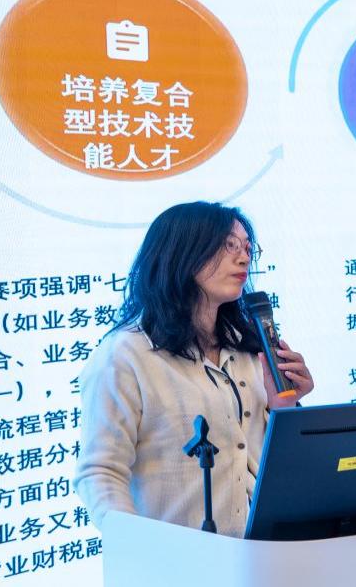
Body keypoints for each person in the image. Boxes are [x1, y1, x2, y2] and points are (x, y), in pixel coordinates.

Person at [74, 201, 315, 538]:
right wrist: (137, 545)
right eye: (228, 245)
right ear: (183, 252)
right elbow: (100, 472)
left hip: (262, 549)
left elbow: (273, 462)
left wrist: (284, 408)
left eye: (247, 248)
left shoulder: (249, 346)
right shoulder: (127, 355)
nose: (243, 258)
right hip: (178, 557)